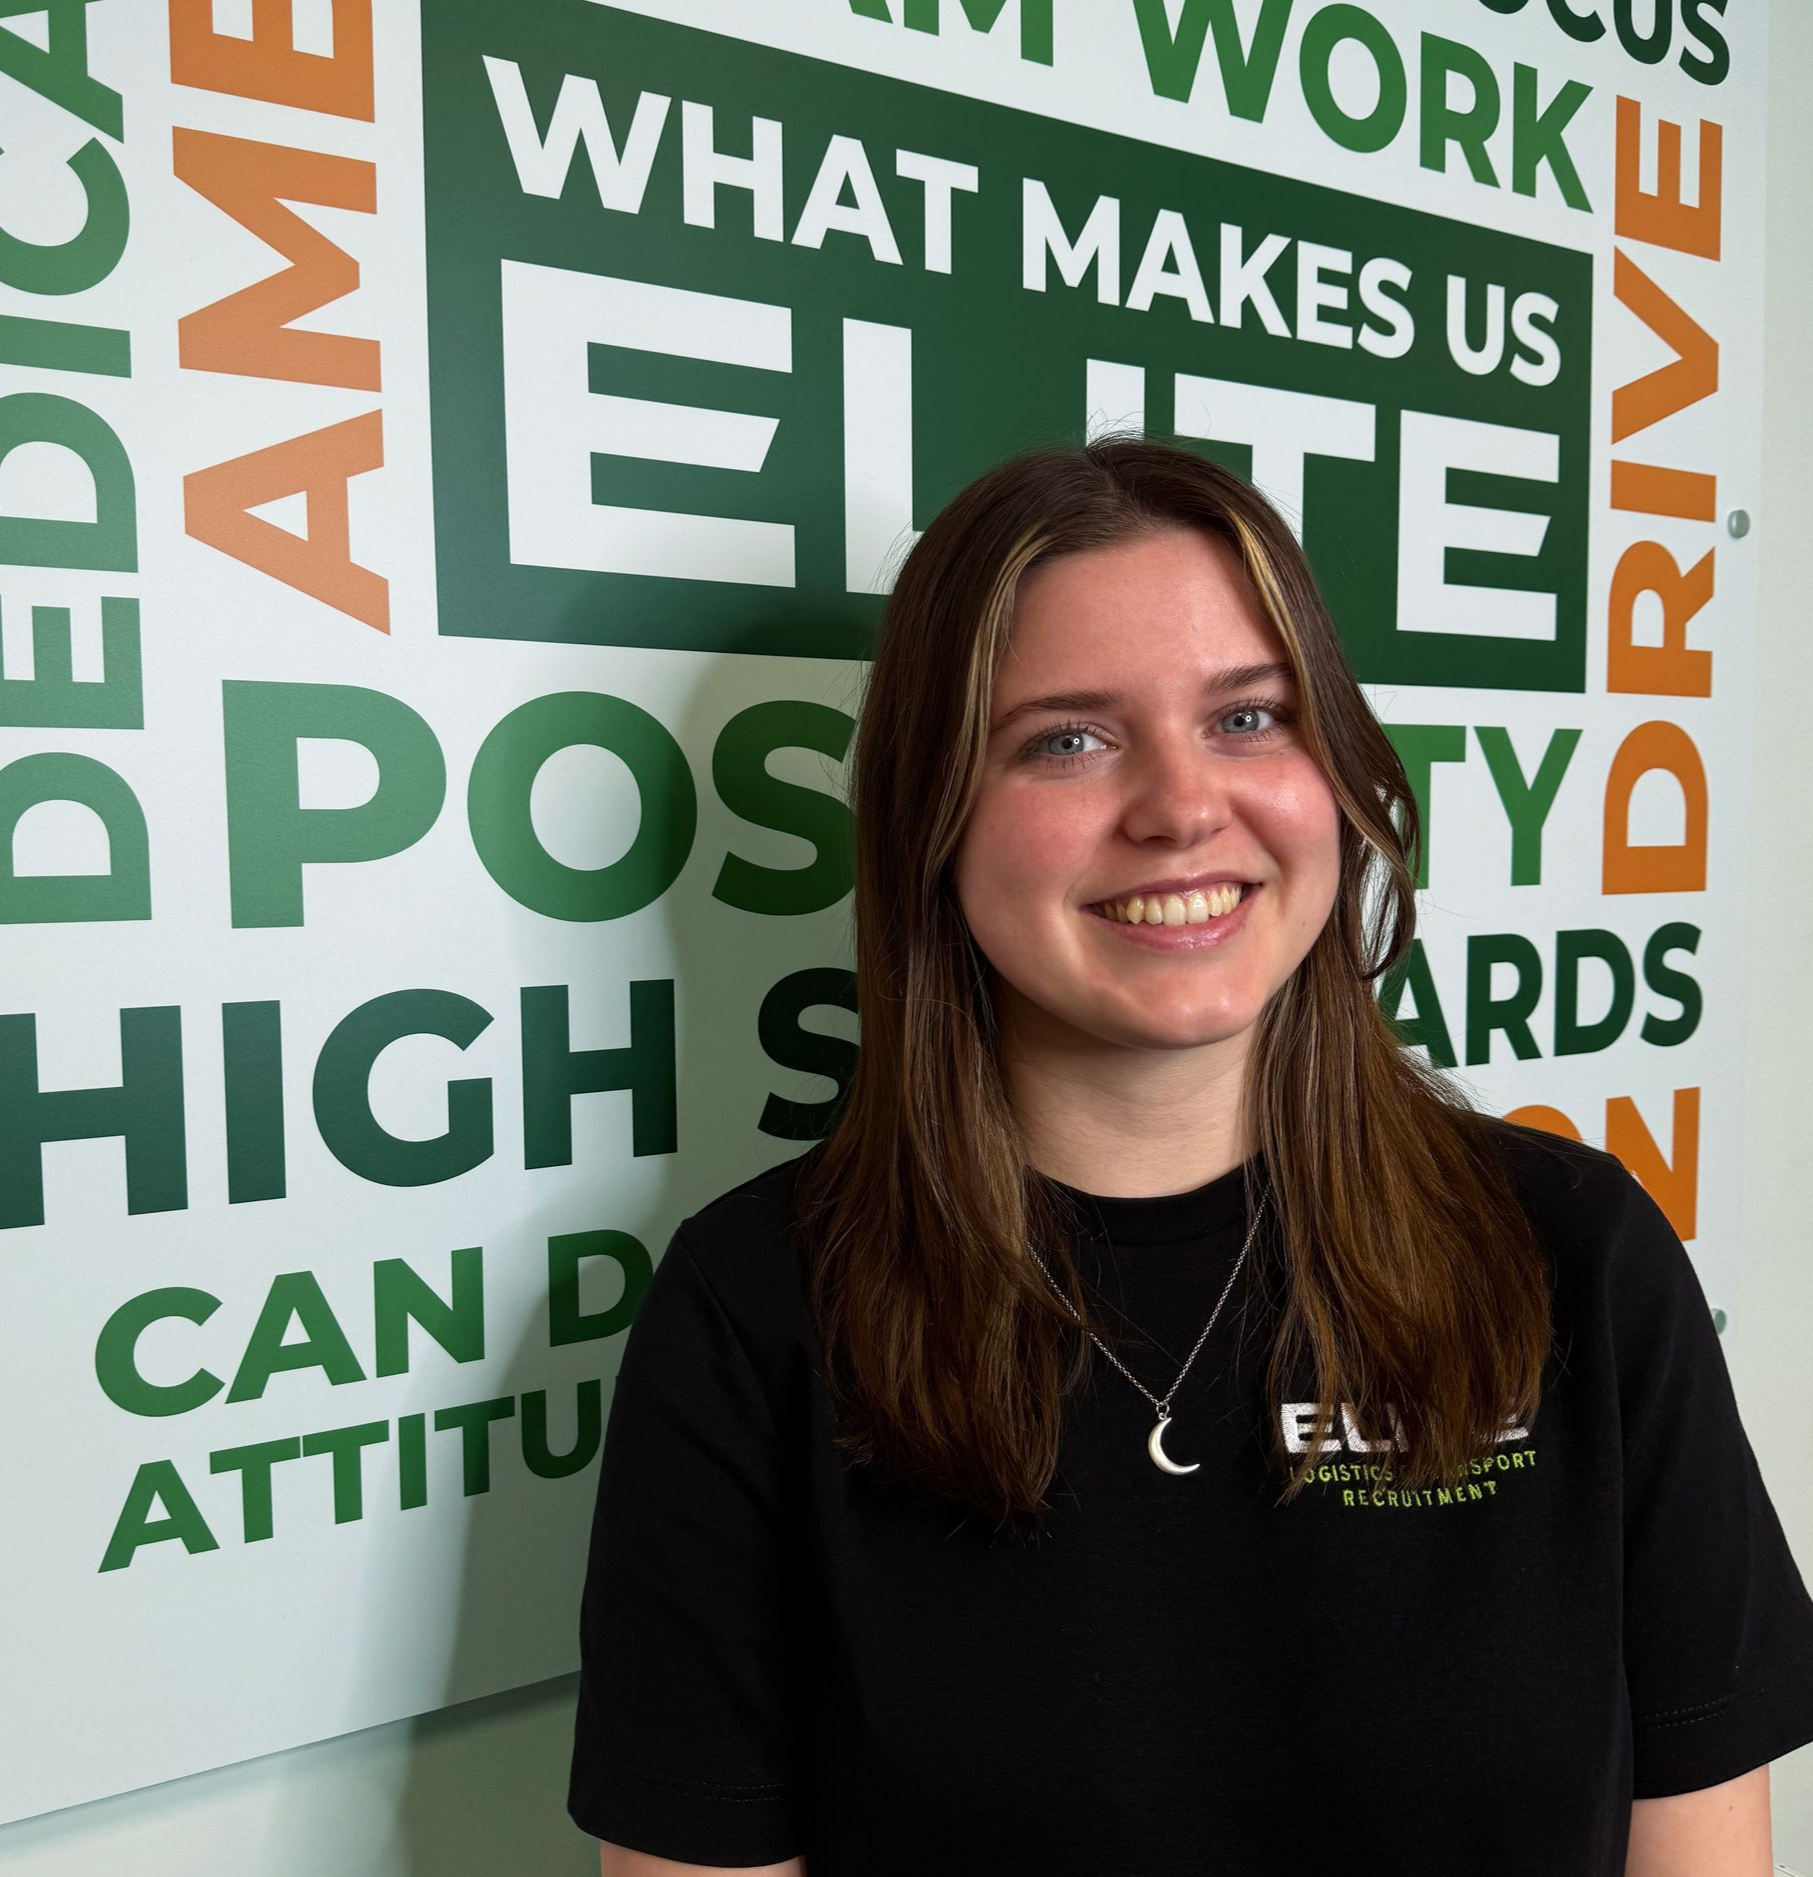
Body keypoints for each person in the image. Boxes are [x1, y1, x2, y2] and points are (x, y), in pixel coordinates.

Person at [565, 437, 1813, 1875]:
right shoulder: (753, 1311)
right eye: (1066, 739)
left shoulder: (1574, 1253)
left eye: (1250, 717)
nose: (1179, 806)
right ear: (931, 820)